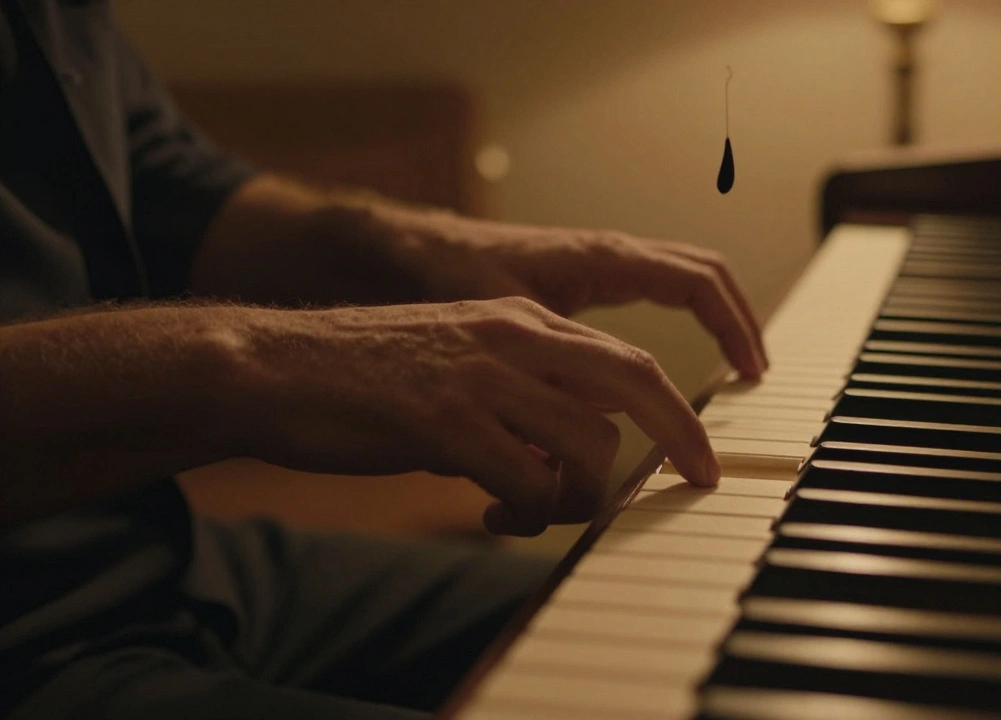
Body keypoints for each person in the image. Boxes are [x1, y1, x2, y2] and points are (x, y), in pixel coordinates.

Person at [0, 2, 768, 718]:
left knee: (708, 621)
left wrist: (421, 244)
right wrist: (254, 364)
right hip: (26, 635)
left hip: (165, 557)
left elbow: (159, 180)